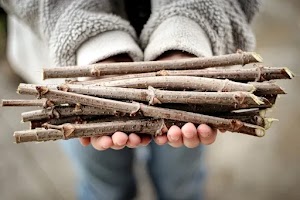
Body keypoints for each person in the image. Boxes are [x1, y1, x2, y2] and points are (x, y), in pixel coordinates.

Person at [1, 0, 260, 199]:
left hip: (195, 65)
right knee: (104, 186)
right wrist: (93, 43)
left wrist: (188, 33)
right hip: (76, 86)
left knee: (180, 181)